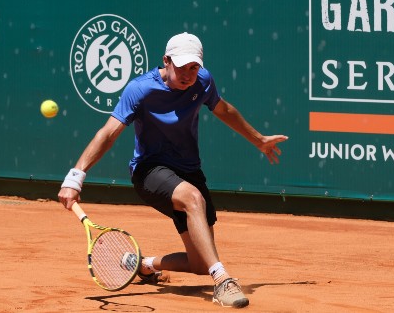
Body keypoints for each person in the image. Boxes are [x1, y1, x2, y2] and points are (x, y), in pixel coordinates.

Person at [58, 32, 288, 309]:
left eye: (194, 67)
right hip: (149, 170)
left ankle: (142, 264)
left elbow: (223, 109)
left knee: (201, 262)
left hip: (189, 170)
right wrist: (76, 176)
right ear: (166, 61)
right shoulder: (140, 90)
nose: (189, 74)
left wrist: (259, 140)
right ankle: (223, 281)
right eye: (182, 66)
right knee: (193, 199)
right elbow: (108, 133)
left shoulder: (203, 81)